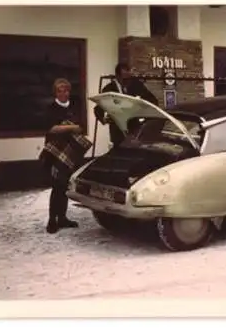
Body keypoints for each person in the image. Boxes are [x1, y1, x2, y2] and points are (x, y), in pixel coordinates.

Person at [39, 78, 92, 234]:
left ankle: (62, 218)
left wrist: (69, 127)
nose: (63, 93)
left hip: (71, 152)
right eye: (60, 90)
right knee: (57, 186)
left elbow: (81, 127)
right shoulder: (51, 108)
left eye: (66, 90)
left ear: (69, 91)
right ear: (55, 92)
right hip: (55, 152)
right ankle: (52, 220)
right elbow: (53, 129)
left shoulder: (75, 107)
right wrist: (72, 127)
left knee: (65, 186)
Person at [94, 63, 159, 147]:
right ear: (117, 76)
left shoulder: (136, 85)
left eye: (129, 79)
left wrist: (143, 114)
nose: (127, 82)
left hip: (135, 131)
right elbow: (98, 109)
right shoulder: (109, 89)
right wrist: (105, 119)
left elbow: (153, 101)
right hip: (118, 133)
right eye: (124, 79)